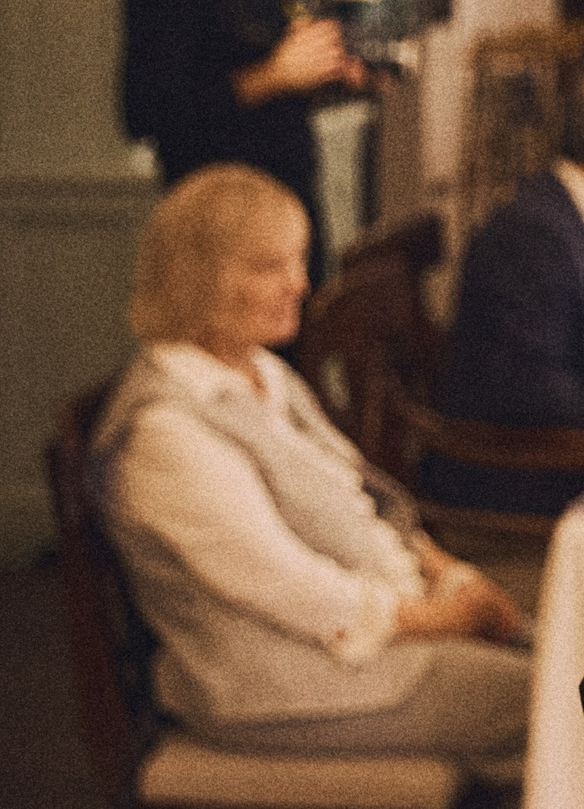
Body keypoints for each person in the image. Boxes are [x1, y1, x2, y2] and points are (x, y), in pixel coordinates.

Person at [91, 166, 527, 768]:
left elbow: (360, 498)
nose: (300, 283)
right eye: (269, 266)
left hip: (357, 641)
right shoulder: (164, 431)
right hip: (274, 685)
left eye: (299, 259)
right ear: (199, 279)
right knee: (559, 701)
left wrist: (449, 572)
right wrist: (439, 619)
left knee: (567, 659)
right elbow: (289, 587)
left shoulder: (265, 373)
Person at [121, 0, 380, 282]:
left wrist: (325, 77)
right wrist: (277, 74)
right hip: (221, 240)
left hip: (282, 224)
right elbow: (146, 110)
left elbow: (261, 83)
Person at [425, 72, 584, 516]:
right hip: (518, 469)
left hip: (570, 441)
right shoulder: (533, 232)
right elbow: (532, 390)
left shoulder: (573, 210)